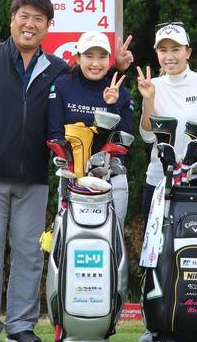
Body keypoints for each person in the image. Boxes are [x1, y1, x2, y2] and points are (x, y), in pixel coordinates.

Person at [0, 0, 133, 342]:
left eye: (38, 19)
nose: (30, 24)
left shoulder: (56, 69)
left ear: (49, 26)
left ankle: (21, 324)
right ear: (12, 19)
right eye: (24, 16)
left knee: (29, 254)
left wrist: (117, 68)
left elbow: (89, 82)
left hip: (34, 177)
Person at [135, 22, 197, 342]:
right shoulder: (153, 85)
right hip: (159, 182)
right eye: (163, 50)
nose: (170, 56)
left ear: (188, 52)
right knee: (154, 252)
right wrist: (148, 100)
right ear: (157, 53)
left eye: (176, 49)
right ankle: (154, 321)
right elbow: (146, 135)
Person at [47, 30, 134, 227]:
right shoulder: (62, 85)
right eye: (89, 56)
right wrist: (69, 163)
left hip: (111, 177)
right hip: (72, 176)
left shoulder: (121, 92)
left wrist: (111, 105)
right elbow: (54, 133)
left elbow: (122, 139)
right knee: (71, 235)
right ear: (78, 58)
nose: (96, 63)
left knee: (110, 237)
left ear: (109, 60)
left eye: (102, 56)